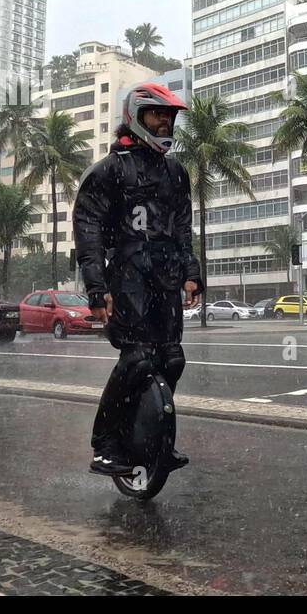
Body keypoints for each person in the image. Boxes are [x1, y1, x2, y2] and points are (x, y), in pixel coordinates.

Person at [73, 82, 201, 476]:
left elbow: (182, 227)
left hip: (166, 278)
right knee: (137, 358)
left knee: (172, 359)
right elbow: (88, 229)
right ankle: (106, 444)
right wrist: (96, 287)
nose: (165, 121)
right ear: (136, 115)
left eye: (170, 116)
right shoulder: (108, 171)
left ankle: (153, 437)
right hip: (127, 277)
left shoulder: (176, 173)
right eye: (158, 114)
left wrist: (191, 274)